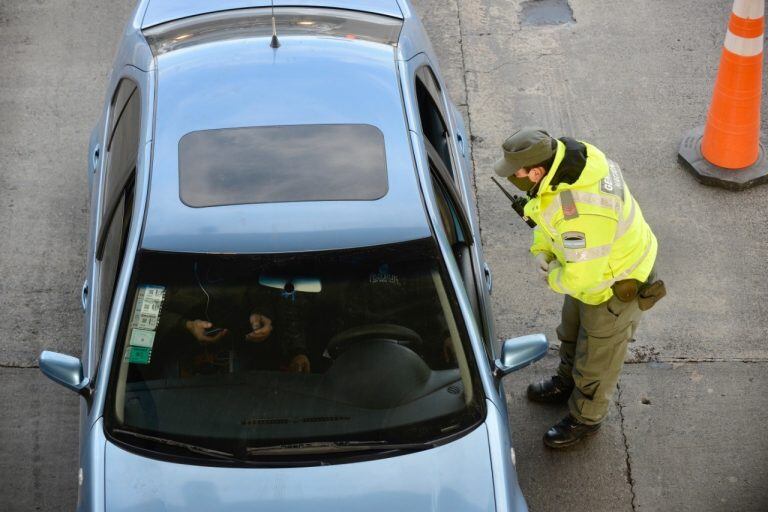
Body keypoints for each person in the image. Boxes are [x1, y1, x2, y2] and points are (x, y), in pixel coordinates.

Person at [494, 127, 665, 449]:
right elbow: (545, 216)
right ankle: (565, 382)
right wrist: (542, 250)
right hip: (592, 268)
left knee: (597, 358)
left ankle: (586, 418)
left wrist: (552, 275)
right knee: (571, 331)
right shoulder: (571, 161)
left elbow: (583, 276)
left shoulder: (580, 210)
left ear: (535, 170)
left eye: (515, 172)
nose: (511, 178)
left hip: (614, 283)